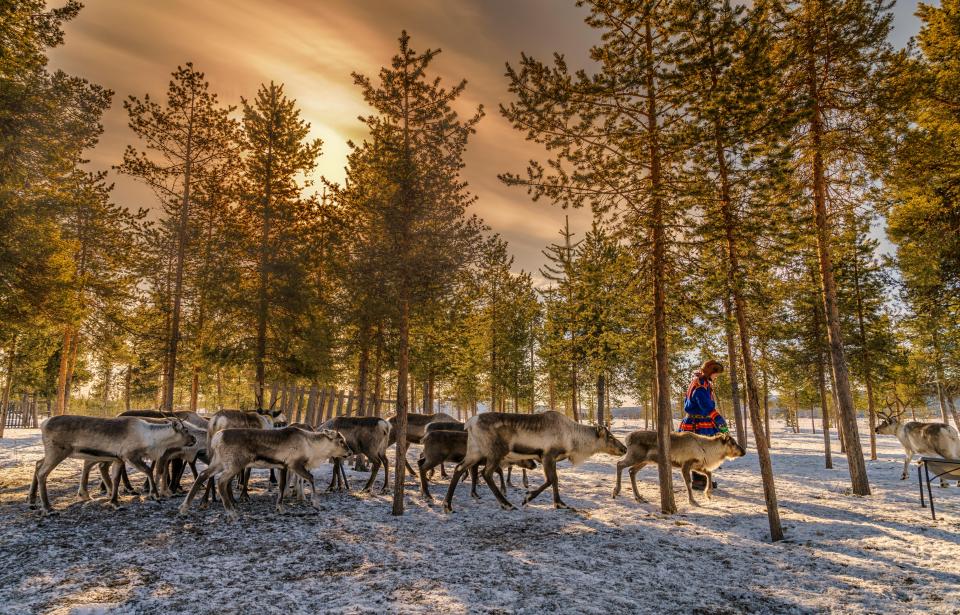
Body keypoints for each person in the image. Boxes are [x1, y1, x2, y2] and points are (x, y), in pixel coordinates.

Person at [679, 359, 728, 490]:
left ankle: (701, 479)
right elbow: (705, 405)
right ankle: (699, 481)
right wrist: (718, 419)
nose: (716, 376)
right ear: (711, 372)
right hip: (697, 422)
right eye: (716, 374)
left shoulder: (701, 382)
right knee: (698, 452)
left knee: (699, 451)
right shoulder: (701, 385)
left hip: (699, 420)